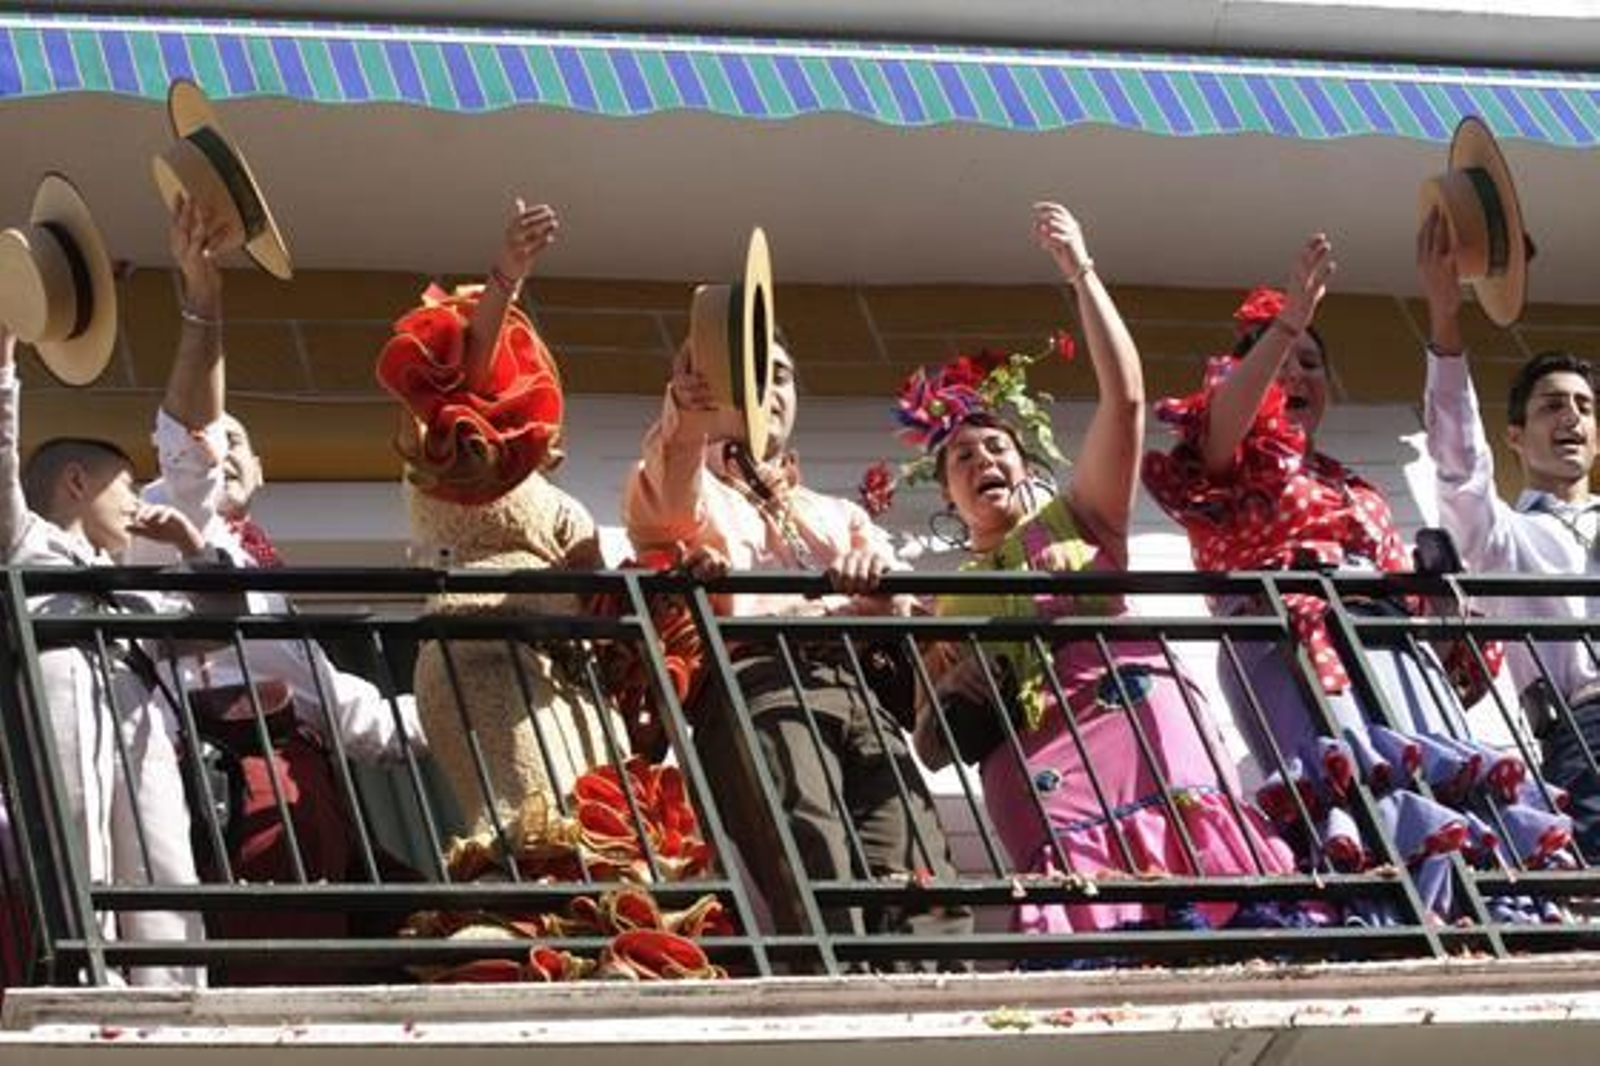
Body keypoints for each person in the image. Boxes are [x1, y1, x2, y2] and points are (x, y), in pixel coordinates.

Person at [1142, 234, 1571, 921]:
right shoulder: (1228, 465)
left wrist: (1436, 597)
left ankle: (1472, 910)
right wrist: (1284, 327)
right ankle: (1378, 914)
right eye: (1280, 363)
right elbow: (1227, 423)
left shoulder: (1352, 484)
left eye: (1311, 364)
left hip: (1388, 644)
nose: (1297, 376)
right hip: (1292, 640)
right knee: (1352, 781)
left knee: (1427, 772)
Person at [905, 202, 1301, 935]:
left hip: (1134, 709)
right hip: (1031, 756)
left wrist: (1080, 272)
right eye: (961, 457)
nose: (982, 459)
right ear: (947, 496)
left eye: (997, 448)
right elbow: (932, 743)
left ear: (1026, 464)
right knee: (1097, 931)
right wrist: (950, 687)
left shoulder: (1079, 518)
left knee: (1217, 904)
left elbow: (1126, 399)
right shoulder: (934, 601)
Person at [131, 195, 427, 984]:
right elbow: (189, 438)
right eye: (217, 439)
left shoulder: (264, 565)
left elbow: (356, 714)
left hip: (308, 791)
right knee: (284, 985)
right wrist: (204, 304)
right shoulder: (168, 517)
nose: (224, 453)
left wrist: (479, 698)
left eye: (241, 443)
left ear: (261, 470)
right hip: (237, 779)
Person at [622, 272, 970, 944]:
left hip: (854, 687)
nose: (770, 391)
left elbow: (905, 610)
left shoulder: (834, 512)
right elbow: (665, 500)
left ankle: (926, 1004)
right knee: (811, 849)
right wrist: (688, 414)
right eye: (752, 376)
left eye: (781, 376)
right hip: (756, 682)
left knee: (916, 857)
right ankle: (846, 1006)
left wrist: (881, 590)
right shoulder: (692, 484)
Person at [376, 198, 622, 838]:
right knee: (533, 827)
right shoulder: (443, 459)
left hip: (565, 672)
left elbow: (601, 598)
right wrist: (505, 281)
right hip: (481, 654)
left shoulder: (551, 497)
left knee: (608, 831)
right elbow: (466, 375)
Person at [1, 325, 211, 986]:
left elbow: (212, 630)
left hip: (135, 710)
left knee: (162, 852)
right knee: (73, 825)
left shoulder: (128, 585)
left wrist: (194, 550)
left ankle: (172, 994)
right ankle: (84, 974)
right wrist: (4, 366)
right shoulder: (23, 540)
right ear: (74, 483)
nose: (136, 503)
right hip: (57, 678)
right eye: (127, 488)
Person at [1419, 205, 1600, 861]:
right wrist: (1445, 318)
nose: (1572, 419)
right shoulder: (1508, 538)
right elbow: (1460, 469)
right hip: (1585, 734)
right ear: (1517, 437)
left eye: (1584, 407)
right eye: (1553, 405)